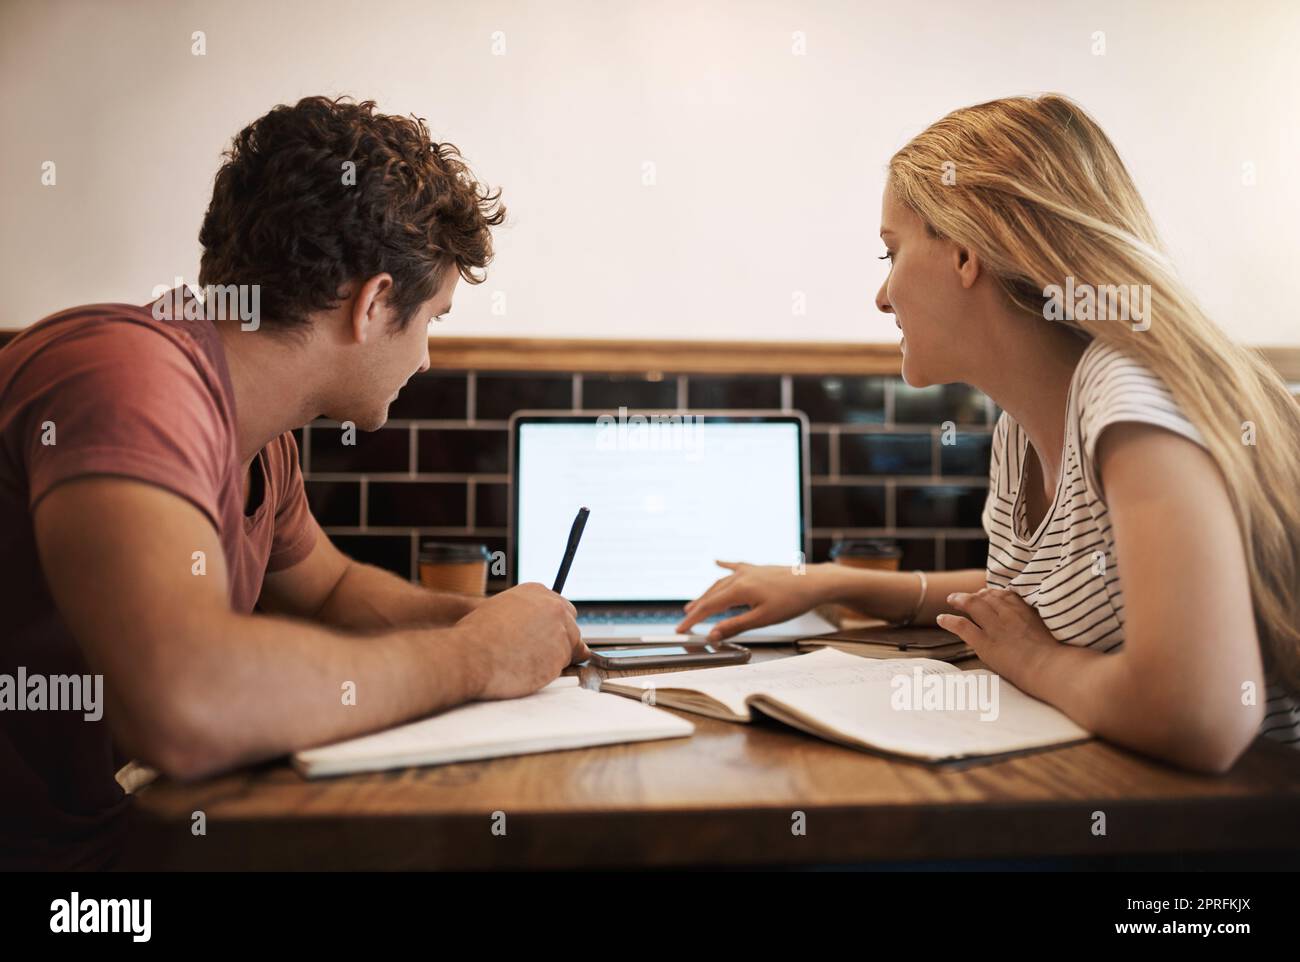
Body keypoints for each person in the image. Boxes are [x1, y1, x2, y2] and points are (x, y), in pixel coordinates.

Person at [0, 96, 588, 869]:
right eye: (433, 320)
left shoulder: (259, 433)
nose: (426, 361)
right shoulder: (127, 379)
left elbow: (332, 591)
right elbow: (187, 702)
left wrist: (507, 629)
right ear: (375, 304)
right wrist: (477, 656)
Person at [678, 94, 1300, 773]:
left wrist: (1037, 661)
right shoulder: (1019, 430)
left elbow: (1198, 716)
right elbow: (1026, 605)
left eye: (891, 253)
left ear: (966, 254)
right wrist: (829, 582)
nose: (882, 297)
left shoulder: (1128, 394)